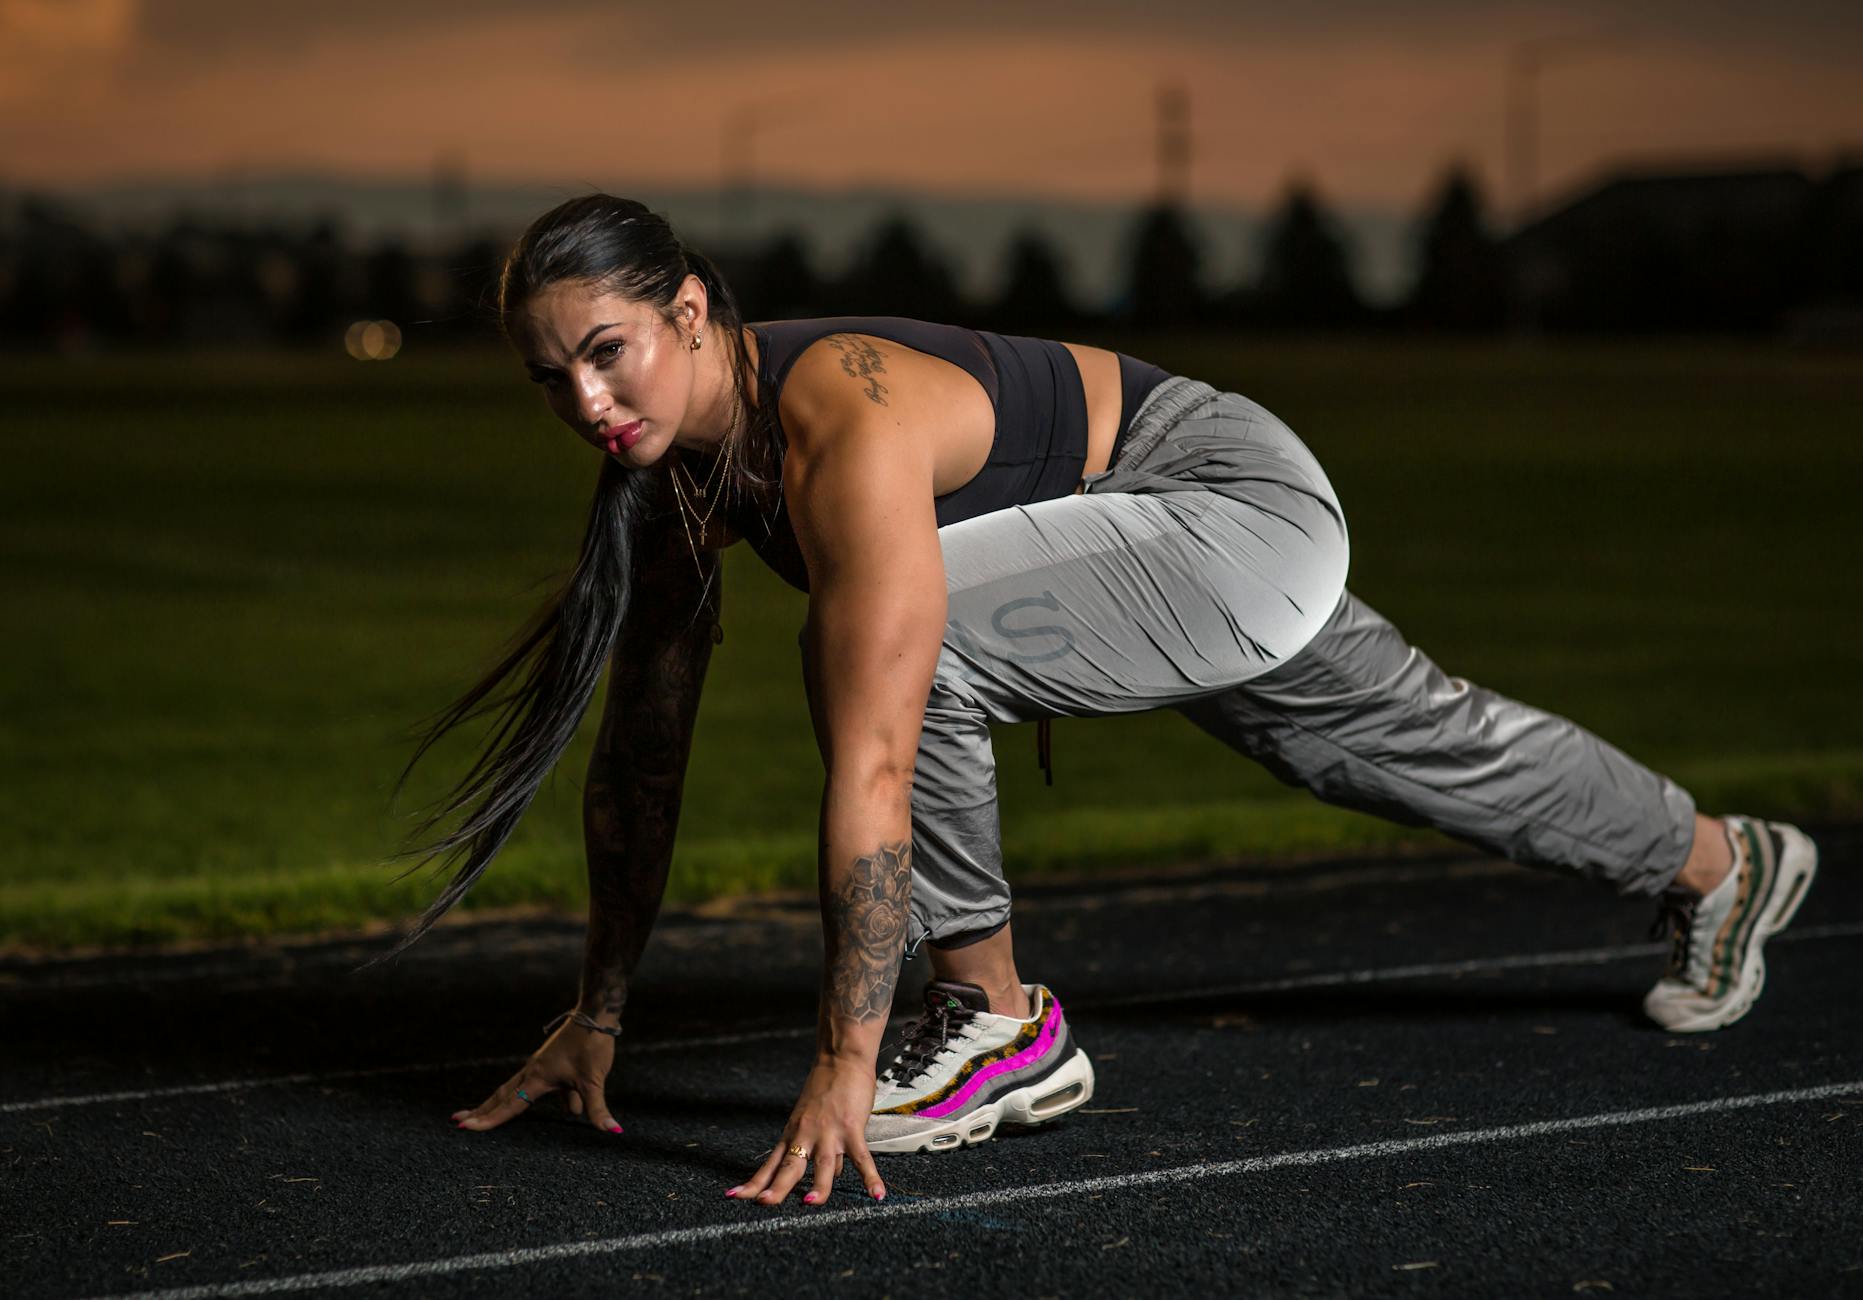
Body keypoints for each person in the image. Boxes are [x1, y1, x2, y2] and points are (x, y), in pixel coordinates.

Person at [395, 196, 1819, 1210]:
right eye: (550, 375)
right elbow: (641, 761)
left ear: (690, 313)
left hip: (1213, 491)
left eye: (608, 350)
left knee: (918, 649)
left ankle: (999, 1027)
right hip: (1130, 538)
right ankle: (1722, 862)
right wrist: (602, 1005)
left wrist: (842, 1061)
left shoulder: (839, 407)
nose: (584, 398)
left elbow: (880, 748)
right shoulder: (664, 485)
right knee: (1399, 745)